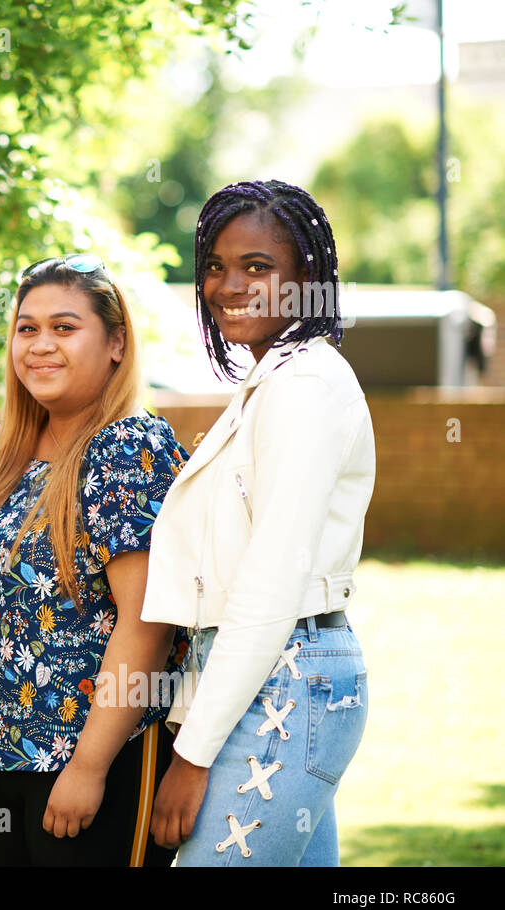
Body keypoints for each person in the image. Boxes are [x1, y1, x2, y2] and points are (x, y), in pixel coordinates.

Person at [144, 180, 375, 866]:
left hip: (285, 686)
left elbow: (270, 585)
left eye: (257, 267)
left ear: (308, 277)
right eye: (216, 265)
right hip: (276, 678)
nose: (228, 284)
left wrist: (191, 755)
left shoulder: (305, 387)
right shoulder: (273, 382)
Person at [0, 254, 190, 866]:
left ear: (116, 344)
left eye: (65, 327)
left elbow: (147, 623)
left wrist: (89, 766)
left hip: (99, 763)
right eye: (27, 328)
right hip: (6, 767)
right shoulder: (0, 451)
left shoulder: (129, 450)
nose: (40, 345)